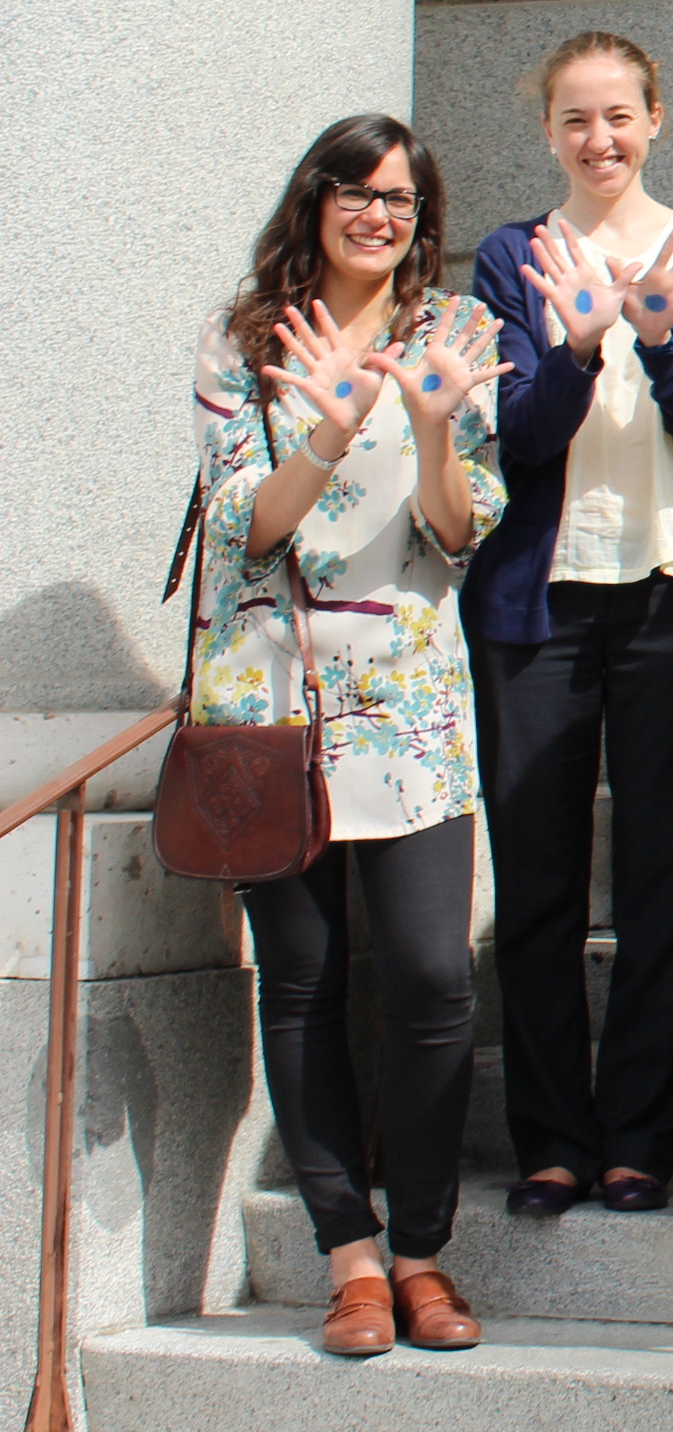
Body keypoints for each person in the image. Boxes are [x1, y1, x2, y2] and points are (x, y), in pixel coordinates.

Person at [194, 116, 503, 1357]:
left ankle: (423, 1250)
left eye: (403, 201)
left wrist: (432, 428)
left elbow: (460, 529)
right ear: (313, 199)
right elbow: (242, 531)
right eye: (358, 192)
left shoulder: (452, 337)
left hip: (414, 702)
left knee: (432, 975)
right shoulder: (243, 343)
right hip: (272, 709)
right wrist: (323, 431)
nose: (380, 216)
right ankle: (352, 1258)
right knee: (307, 981)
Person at [465, 34, 673, 1217]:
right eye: (576, 120)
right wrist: (577, 341)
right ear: (548, 132)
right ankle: (550, 1137)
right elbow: (519, 436)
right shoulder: (508, 258)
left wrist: (661, 334)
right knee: (535, 882)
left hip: (672, 597)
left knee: (662, 872)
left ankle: (641, 1131)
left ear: (658, 119)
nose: (600, 140)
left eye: (620, 116)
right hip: (540, 604)